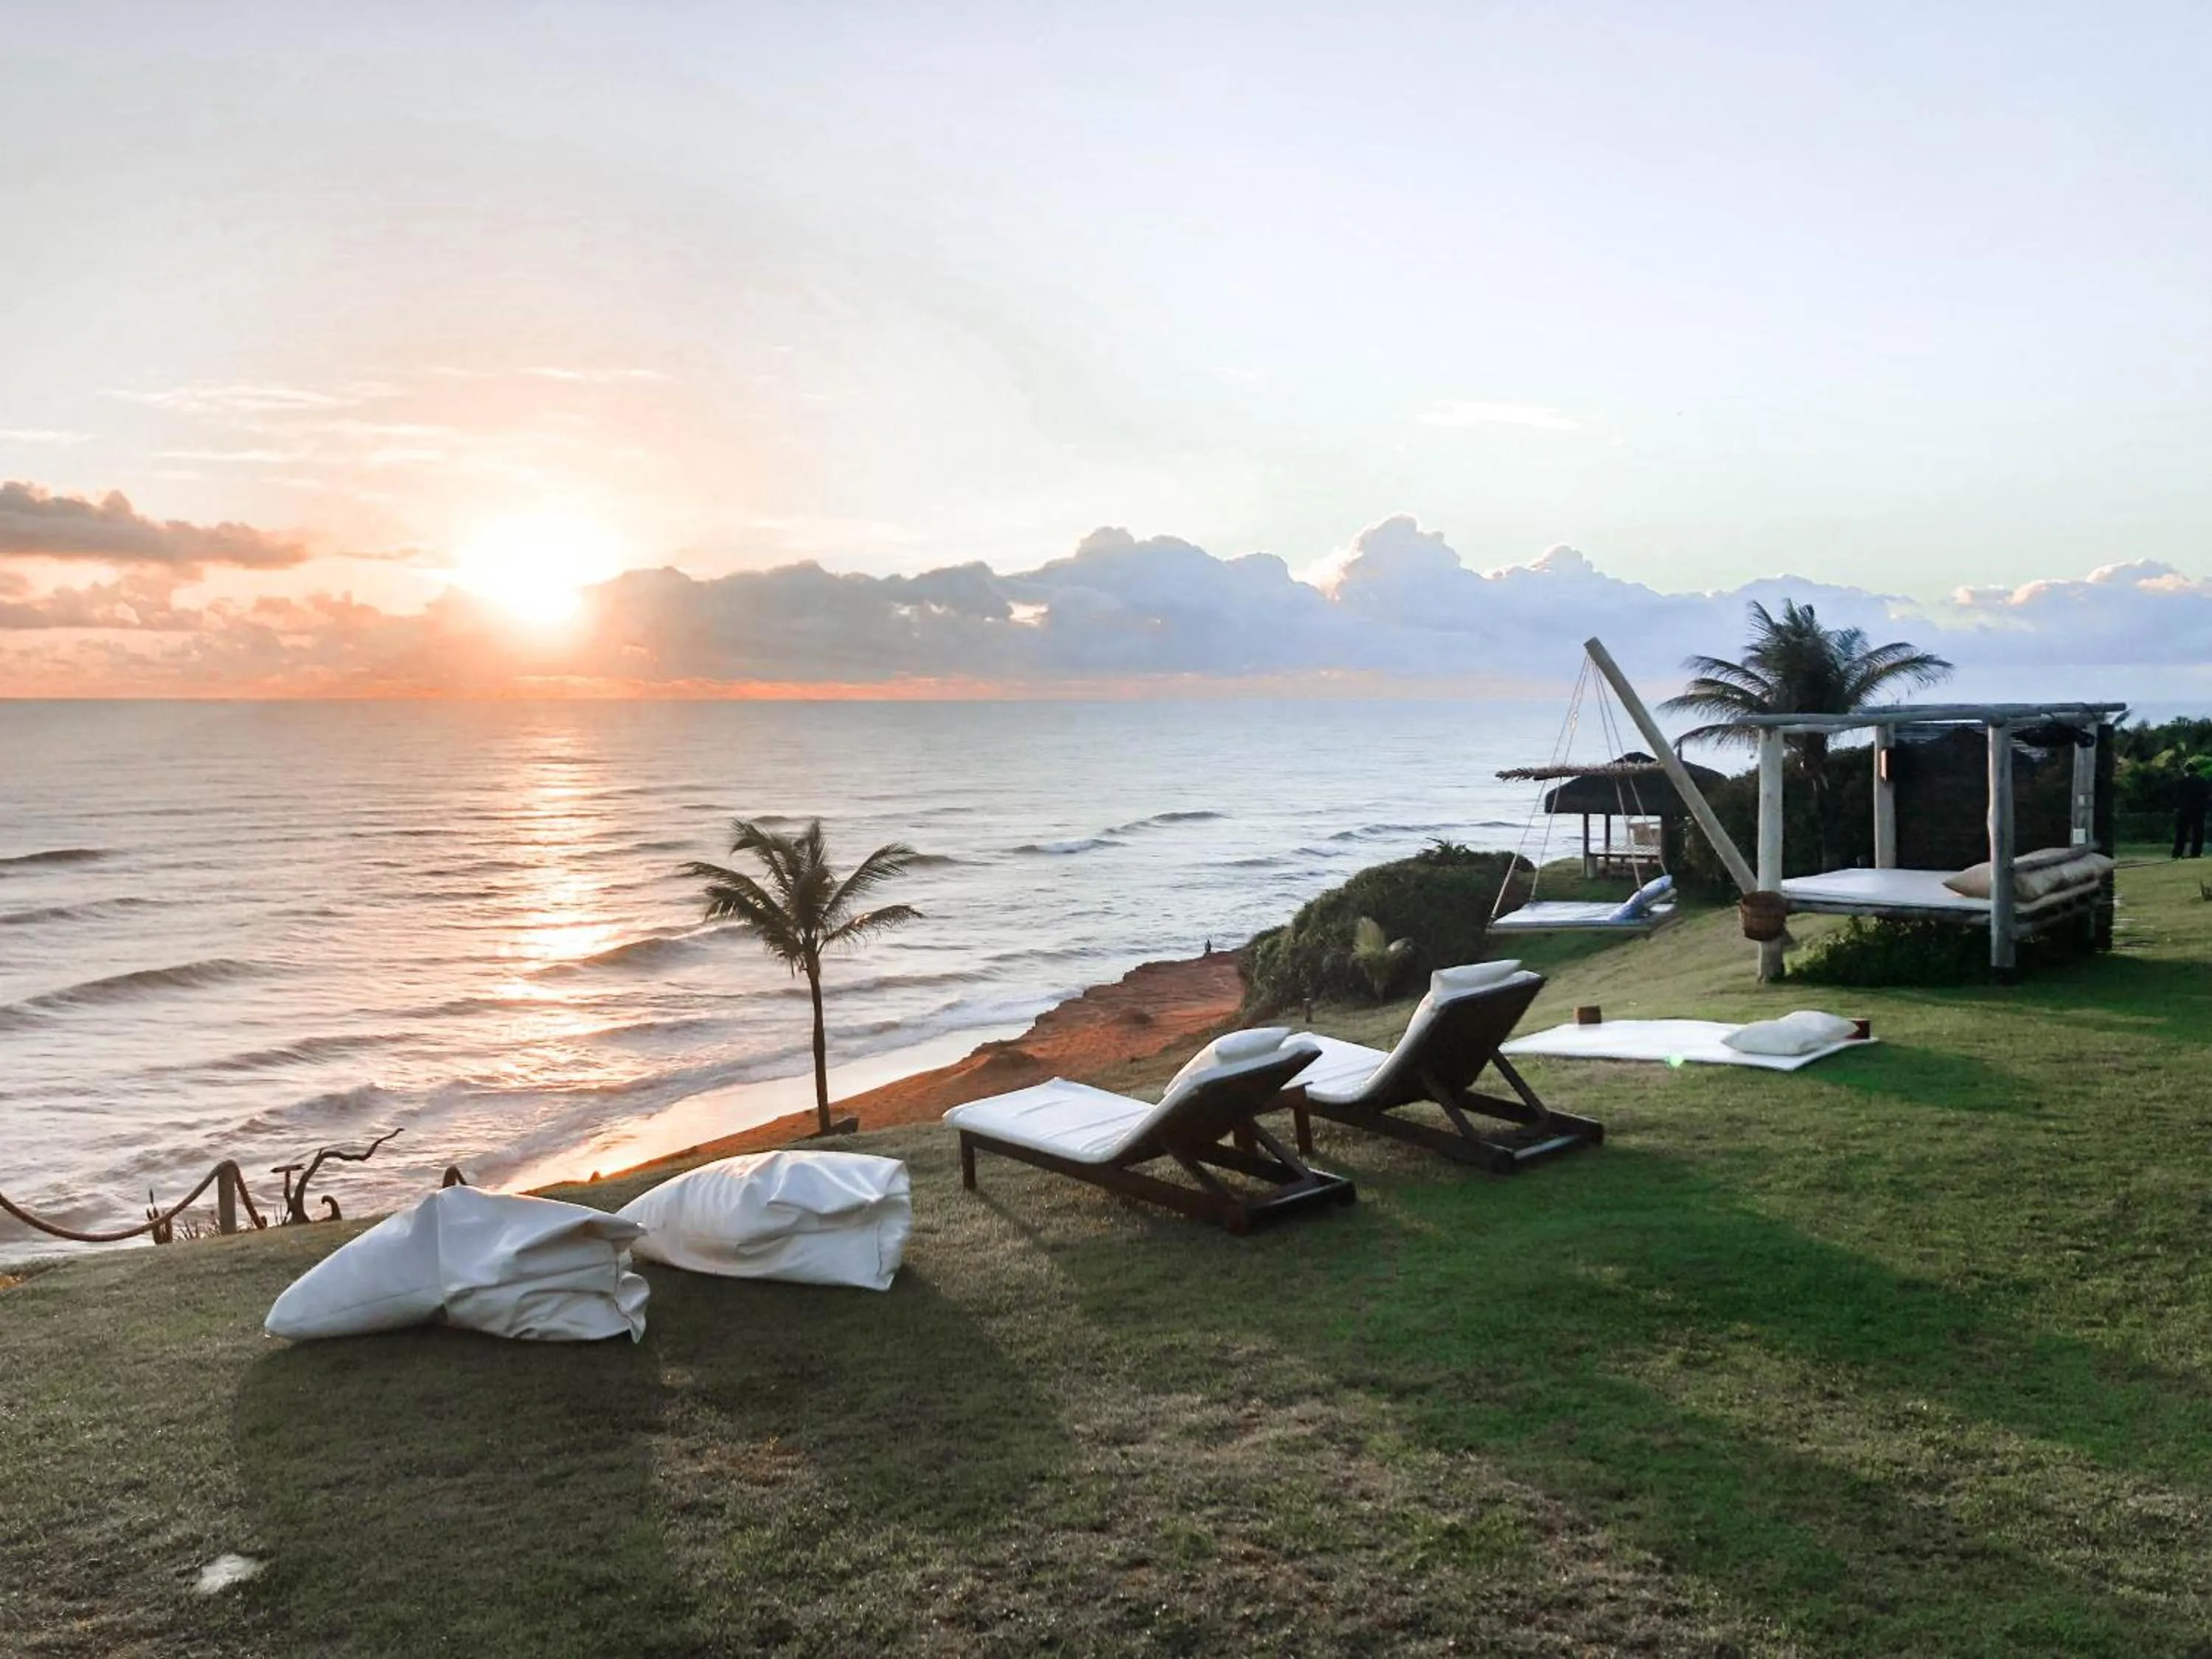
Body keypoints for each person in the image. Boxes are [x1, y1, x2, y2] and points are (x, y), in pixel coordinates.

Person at [2175, 758, 2211, 860]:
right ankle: (2196, 853)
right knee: (2198, 832)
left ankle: (2178, 853)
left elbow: (2177, 795)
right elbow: (2207, 795)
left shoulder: (2183, 781)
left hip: (2185, 809)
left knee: (2182, 832)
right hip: (2199, 810)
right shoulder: (2203, 781)